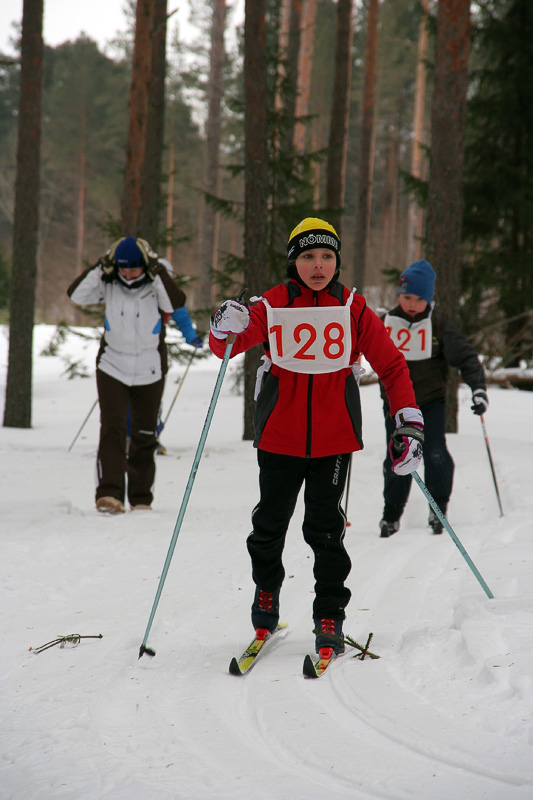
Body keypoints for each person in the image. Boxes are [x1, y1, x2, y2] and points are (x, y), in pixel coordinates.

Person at [209, 217, 422, 657]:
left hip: (333, 440)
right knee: (268, 527)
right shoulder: (271, 304)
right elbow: (225, 346)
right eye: (308, 256)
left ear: (337, 261)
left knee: (325, 531)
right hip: (279, 438)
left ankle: (330, 615)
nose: (318, 265)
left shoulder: (352, 306)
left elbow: (392, 365)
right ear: (294, 262)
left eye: (327, 256)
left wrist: (408, 420)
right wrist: (221, 325)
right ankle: (266, 601)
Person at [67, 236, 186, 514]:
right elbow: (76, 295)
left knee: (145, 434)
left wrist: (157, 272)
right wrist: (100, 266)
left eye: (133, 268)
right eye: (122, 267)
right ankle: (109, 494)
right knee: (113, 430)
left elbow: (175, 303)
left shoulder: (155, 285)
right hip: (112, 367)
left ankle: (141, 497)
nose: (127, 273)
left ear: (144, 266)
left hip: (150, 369)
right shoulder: (108, 283)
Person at [379, 258, 488, 538]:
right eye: (406, 297)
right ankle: (391, 514)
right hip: (396, 406)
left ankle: (438, 508)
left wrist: (478, 387)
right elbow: (361, 350)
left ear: (429, 299)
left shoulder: (438, 324)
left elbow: (465, 356)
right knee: (398, 457)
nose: (412, 304)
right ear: (398, 296)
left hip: (430, 402)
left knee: (435, 453)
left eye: (418, 298)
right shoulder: (385, 322)